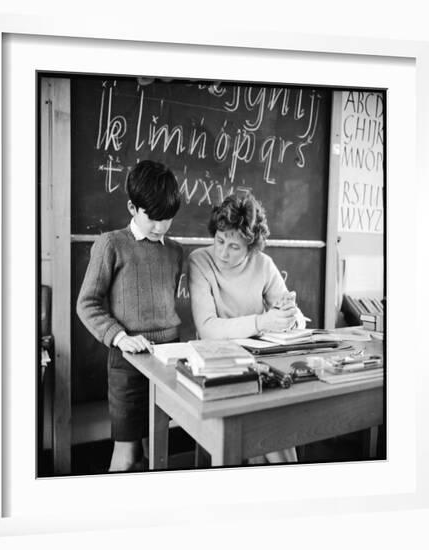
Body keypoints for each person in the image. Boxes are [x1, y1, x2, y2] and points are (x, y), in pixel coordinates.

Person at [76, 160, 183, 472]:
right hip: (128, 361)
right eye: (154, 218)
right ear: (132, 207)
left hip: (168, 358)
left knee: (158, 451)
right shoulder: (111, 244)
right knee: (127, 455)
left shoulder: (175, 251)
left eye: (168, 218)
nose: (161, 226)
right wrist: (121, 338)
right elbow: (88, 303)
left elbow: (166, 300)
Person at [188, 192, 304, 464]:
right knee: (259, 432)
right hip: (218, 365)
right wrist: (262, 322)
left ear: (251, 248)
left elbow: (295, 315)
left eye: (234, 247)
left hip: (259, 362)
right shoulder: (200, 261)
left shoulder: (263, 264)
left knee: (273, 426)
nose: (222, 252)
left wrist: (290, 315)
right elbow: (207, 328)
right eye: (219, 240)